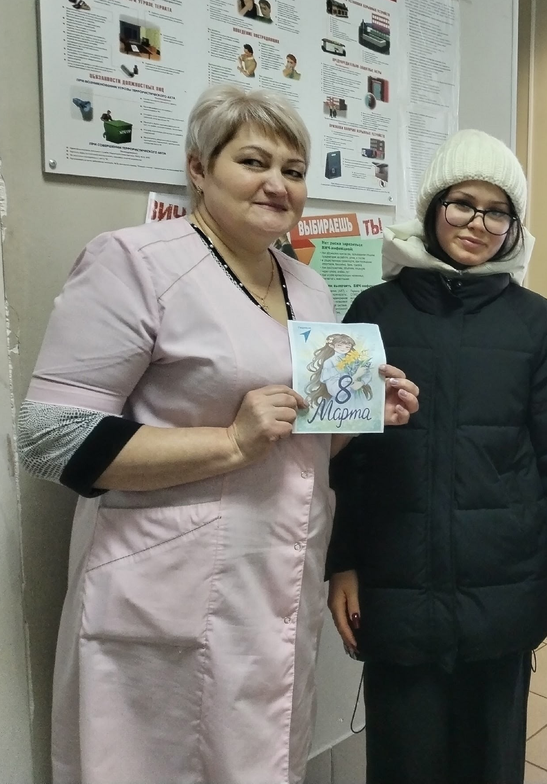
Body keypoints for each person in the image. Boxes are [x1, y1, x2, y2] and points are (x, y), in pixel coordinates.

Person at [17, 84, 418, 784]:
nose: (278, 184)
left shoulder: (308, 286)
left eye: (294, 170)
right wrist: (231, 443)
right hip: (164, 588)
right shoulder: (136, 262)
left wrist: (358, 416)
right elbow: (51, 437)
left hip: (278, 586)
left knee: (261, 761)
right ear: (199, 168)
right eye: (253, 162)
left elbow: (304, 446)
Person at [326, 129, 547, 784]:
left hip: (504, 582)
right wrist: (342, 562)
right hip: (396, 580)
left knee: (490, 763)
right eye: (462, 204)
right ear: (433, 208)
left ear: (513, 227)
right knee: (403, 762)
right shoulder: (372, 310)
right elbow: (344, 458)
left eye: (497, 211)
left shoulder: (535, 322)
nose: (478, 224)